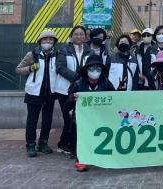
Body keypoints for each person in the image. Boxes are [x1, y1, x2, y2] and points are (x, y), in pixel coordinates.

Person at [65, 54, 115, 171]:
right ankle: (81, 159)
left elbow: (114, 99)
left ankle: (101, 157)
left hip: (101, 119)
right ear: (86, 70)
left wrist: (120, 91)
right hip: (83, 120)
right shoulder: (78, 84)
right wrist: (72, 98)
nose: (95, 71)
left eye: (98, 68)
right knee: (81, 137)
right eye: (92, 68)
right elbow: (66, 106)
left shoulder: (106, 83)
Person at [16, 29, 59, 157]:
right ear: (40, 41)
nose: (48, 42)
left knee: (47, 121)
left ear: (54, 42)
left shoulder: (57, 55)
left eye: (51, 39)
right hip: (34, 92)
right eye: (45, 39)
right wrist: (30, 68)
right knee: (32, 121)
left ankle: (43, 144)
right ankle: (30, 145)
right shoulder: (32, 54)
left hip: (50, 92)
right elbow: (18, 69)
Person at [54, 25, 92, 154]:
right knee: (68, 117)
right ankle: (64, 144)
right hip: (64, 90)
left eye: (81, 34)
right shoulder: (64, 50)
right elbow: (60, 67)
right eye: (76, 34)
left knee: (79, 118)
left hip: (82, 90)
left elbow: (92, 67)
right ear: (71, 36)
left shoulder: (90, 51)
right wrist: (77, 77)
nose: (78, 36)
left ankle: (70, 143)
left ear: (85, 37)